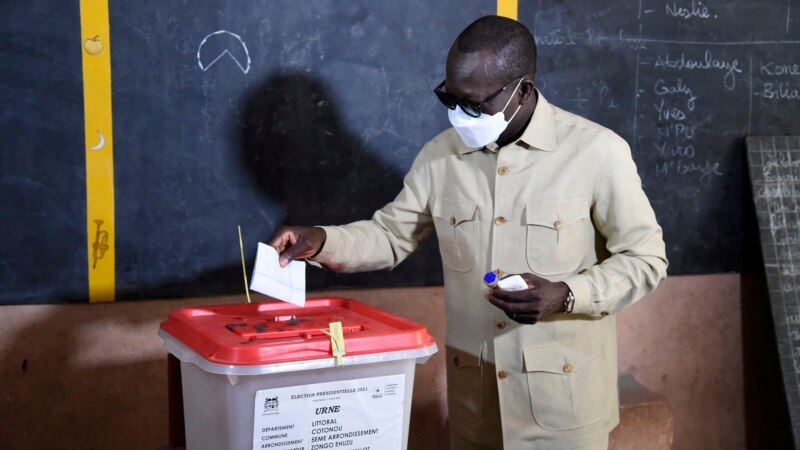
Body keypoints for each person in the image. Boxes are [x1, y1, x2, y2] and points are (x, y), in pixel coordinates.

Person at [268, 15, 667, 450]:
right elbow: (390, 236)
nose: (460, 114)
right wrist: (323, 240)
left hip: (563, 410)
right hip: (476, 407)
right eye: (450, 98)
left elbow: (646, 260)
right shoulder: (440, 157)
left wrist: (566, 294)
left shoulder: (596, 152)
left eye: (474, 104)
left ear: (522, 92)